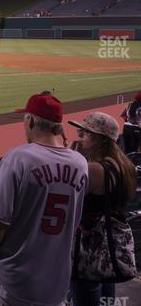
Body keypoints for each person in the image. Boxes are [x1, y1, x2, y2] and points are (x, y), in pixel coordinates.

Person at [0, 92, 89, 306]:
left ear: (31, 121)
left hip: (11, 283)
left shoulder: (18, 157)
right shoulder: (81, 163)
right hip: (55, 284)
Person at [68, 112, 137, 306]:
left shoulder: (94, 169)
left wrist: (74, 159)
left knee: (85, 295)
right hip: (107, 249)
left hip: (89, 250)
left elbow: (67, 197)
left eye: (84, 133)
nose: (79, 137)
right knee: (106, 295)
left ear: (99, 139)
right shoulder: (123, 164)